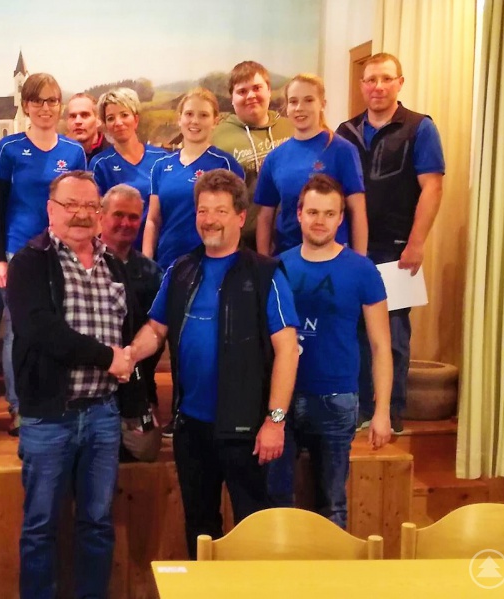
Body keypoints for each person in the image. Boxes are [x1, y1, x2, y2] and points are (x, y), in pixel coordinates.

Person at [129, 169, 300, 559]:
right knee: (199, 527)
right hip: (191, 428)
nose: (209, 219)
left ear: (240, 217)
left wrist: (275, 421)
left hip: (248, 430)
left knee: (254, 532)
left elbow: (288, 351)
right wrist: (127, 356)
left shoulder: (266, 274)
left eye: (220, 211)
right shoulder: (180, 270)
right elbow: (155, 330)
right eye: (203, 210)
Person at [6, 171, 143, 599]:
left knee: (97, 524)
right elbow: (40, 330)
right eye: (71, 205)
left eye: (90, 206)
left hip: (103, 414)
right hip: (50, 416)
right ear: (51, 210)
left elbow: (129, 330)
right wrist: (108, 358)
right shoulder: (30, 262)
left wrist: (127, 367)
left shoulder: (114, 264)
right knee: (40, 526)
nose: (82, 214)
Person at [336, 53, 445, 434]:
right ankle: (359, 409)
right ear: (362, 85)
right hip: (351, 249)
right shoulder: (345, 131)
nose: (377, 87)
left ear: (400, 82)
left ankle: (391, 412)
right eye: (370, 80)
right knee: (353, 332)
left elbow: (432, 187)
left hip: (396, 250)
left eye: (385, 79)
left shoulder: (420, 128)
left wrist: (416, 243)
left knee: (393, 334)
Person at [275, 174, 392, 528]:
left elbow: (381, 346)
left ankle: (331, 565)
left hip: (337, 399)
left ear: (341, 218)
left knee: (332, 504)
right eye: (313, 212)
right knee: (278, 501)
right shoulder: (277, 266)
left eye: (329, 213)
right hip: (282, 399)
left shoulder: (362, 270)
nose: (320, 221)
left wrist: (382, 411)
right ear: (299, 214)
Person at [0, 73, 87, 435]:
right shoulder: (9, 148)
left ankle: (57, 398)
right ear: (26, 105)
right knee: (18, 330)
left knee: (61, 325)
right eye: (37, 101)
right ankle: (19, 406)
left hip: (63, 252)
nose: (45, 108)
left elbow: (80, 206)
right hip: (19, 252)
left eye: (52, 101)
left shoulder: (74, 152)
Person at [254, 73, 367, 257]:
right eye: (293, 101)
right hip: (288, 258)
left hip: (334, 258)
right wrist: (263, 263)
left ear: (322, 104)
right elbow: (265, 216)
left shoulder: (343, 150)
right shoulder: (275, 158)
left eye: (308, 100)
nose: (300, 108)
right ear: (287, 107)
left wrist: (360, 262)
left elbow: (357, 211)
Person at [143, 87, 244, 270]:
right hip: (167, 264)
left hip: (210, 265)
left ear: (215, 121)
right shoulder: (161, 166)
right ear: (179, 118)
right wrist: (147, 262)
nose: (195, 121)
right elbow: (153, 220)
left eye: (203, 115)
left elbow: (235, 221)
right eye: (189, 114)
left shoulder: (225, 164)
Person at [99, 184, 164, 460]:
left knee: (146, 448)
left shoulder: (152, 273)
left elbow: (159, 331)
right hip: (91, 380)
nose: (126, 223)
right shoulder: (80, 263)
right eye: (118, 215)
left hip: (136, 379)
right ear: (101, 215)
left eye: (133, 217)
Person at [212, 61, 293, 248]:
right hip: (243, 241)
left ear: (269, 90)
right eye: (242, 91)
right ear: (232, 98)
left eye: (257, 88)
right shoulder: (217, 137)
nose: (251, 96)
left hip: (293, 236)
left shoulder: (291, 128)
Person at [90, 88, 169, 249]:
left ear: (136, 119)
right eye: (111, 118)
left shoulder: (162, 159)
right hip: (117, 252)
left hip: (160, 249)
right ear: (106, 125)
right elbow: (97, 217)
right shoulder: (100, 164)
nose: (118, 122)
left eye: (124, 115)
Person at [66, 92, 111, 162]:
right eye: (73, 116)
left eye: (84, 115)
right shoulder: (59, 155)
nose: (77, 121)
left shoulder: (112, 156)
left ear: (98, 120)